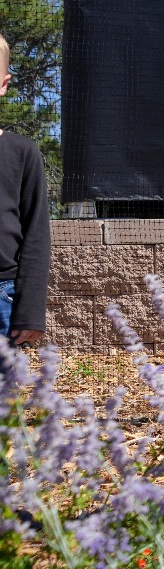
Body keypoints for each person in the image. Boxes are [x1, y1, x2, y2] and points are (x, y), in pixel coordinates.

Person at [0, 33, 51, 358]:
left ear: (3, 84)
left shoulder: (23, 154)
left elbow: (36, 237)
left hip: (3, 295)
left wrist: (29, 311)